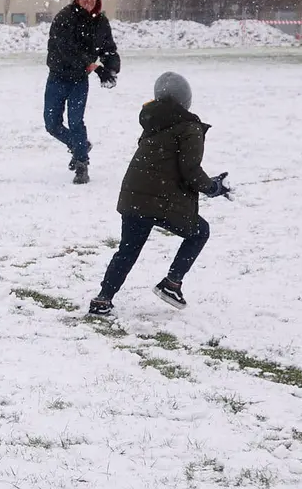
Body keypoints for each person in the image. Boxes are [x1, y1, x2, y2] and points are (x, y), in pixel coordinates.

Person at [89, 73, 231, 315]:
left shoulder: (153, 122)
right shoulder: (189, 128)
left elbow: (163, 165)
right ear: (186, 100)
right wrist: (214, 188)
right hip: (161, 201)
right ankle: (172, 284)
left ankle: (103, 298)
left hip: (135, 196)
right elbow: (191, 171)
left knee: (128, 249)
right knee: (200, 232)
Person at [44, 0, 120, 185]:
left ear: (97, 0)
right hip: (58, 76)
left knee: (76, 121)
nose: (88, 1)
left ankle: (81, 164)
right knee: (52, 124)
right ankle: (81, 145)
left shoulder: (100, 23)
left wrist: (111, 69)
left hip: (79, 81)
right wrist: (92, 66)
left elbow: (108, 49)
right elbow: (66, 49)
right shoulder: (64, 18)